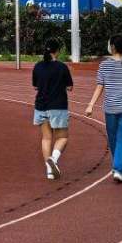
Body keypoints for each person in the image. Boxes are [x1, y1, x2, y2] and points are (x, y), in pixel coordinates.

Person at [85, 34, 122, 184]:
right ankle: (120, 168)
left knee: (114, 140)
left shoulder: (104, 65)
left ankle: (118, 168)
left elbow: (100, 86)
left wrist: (91, 104)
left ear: (112, 47)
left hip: (110, 109)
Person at [32, 38, 74, 180]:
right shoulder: (62, 67)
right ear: (58, 51)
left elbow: (36, 86)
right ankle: (54, 159)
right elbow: (69, 86)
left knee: (46, 138)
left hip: (41, 106)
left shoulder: (38, 66)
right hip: (58, 105)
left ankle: (49, 171)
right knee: (62, 137)